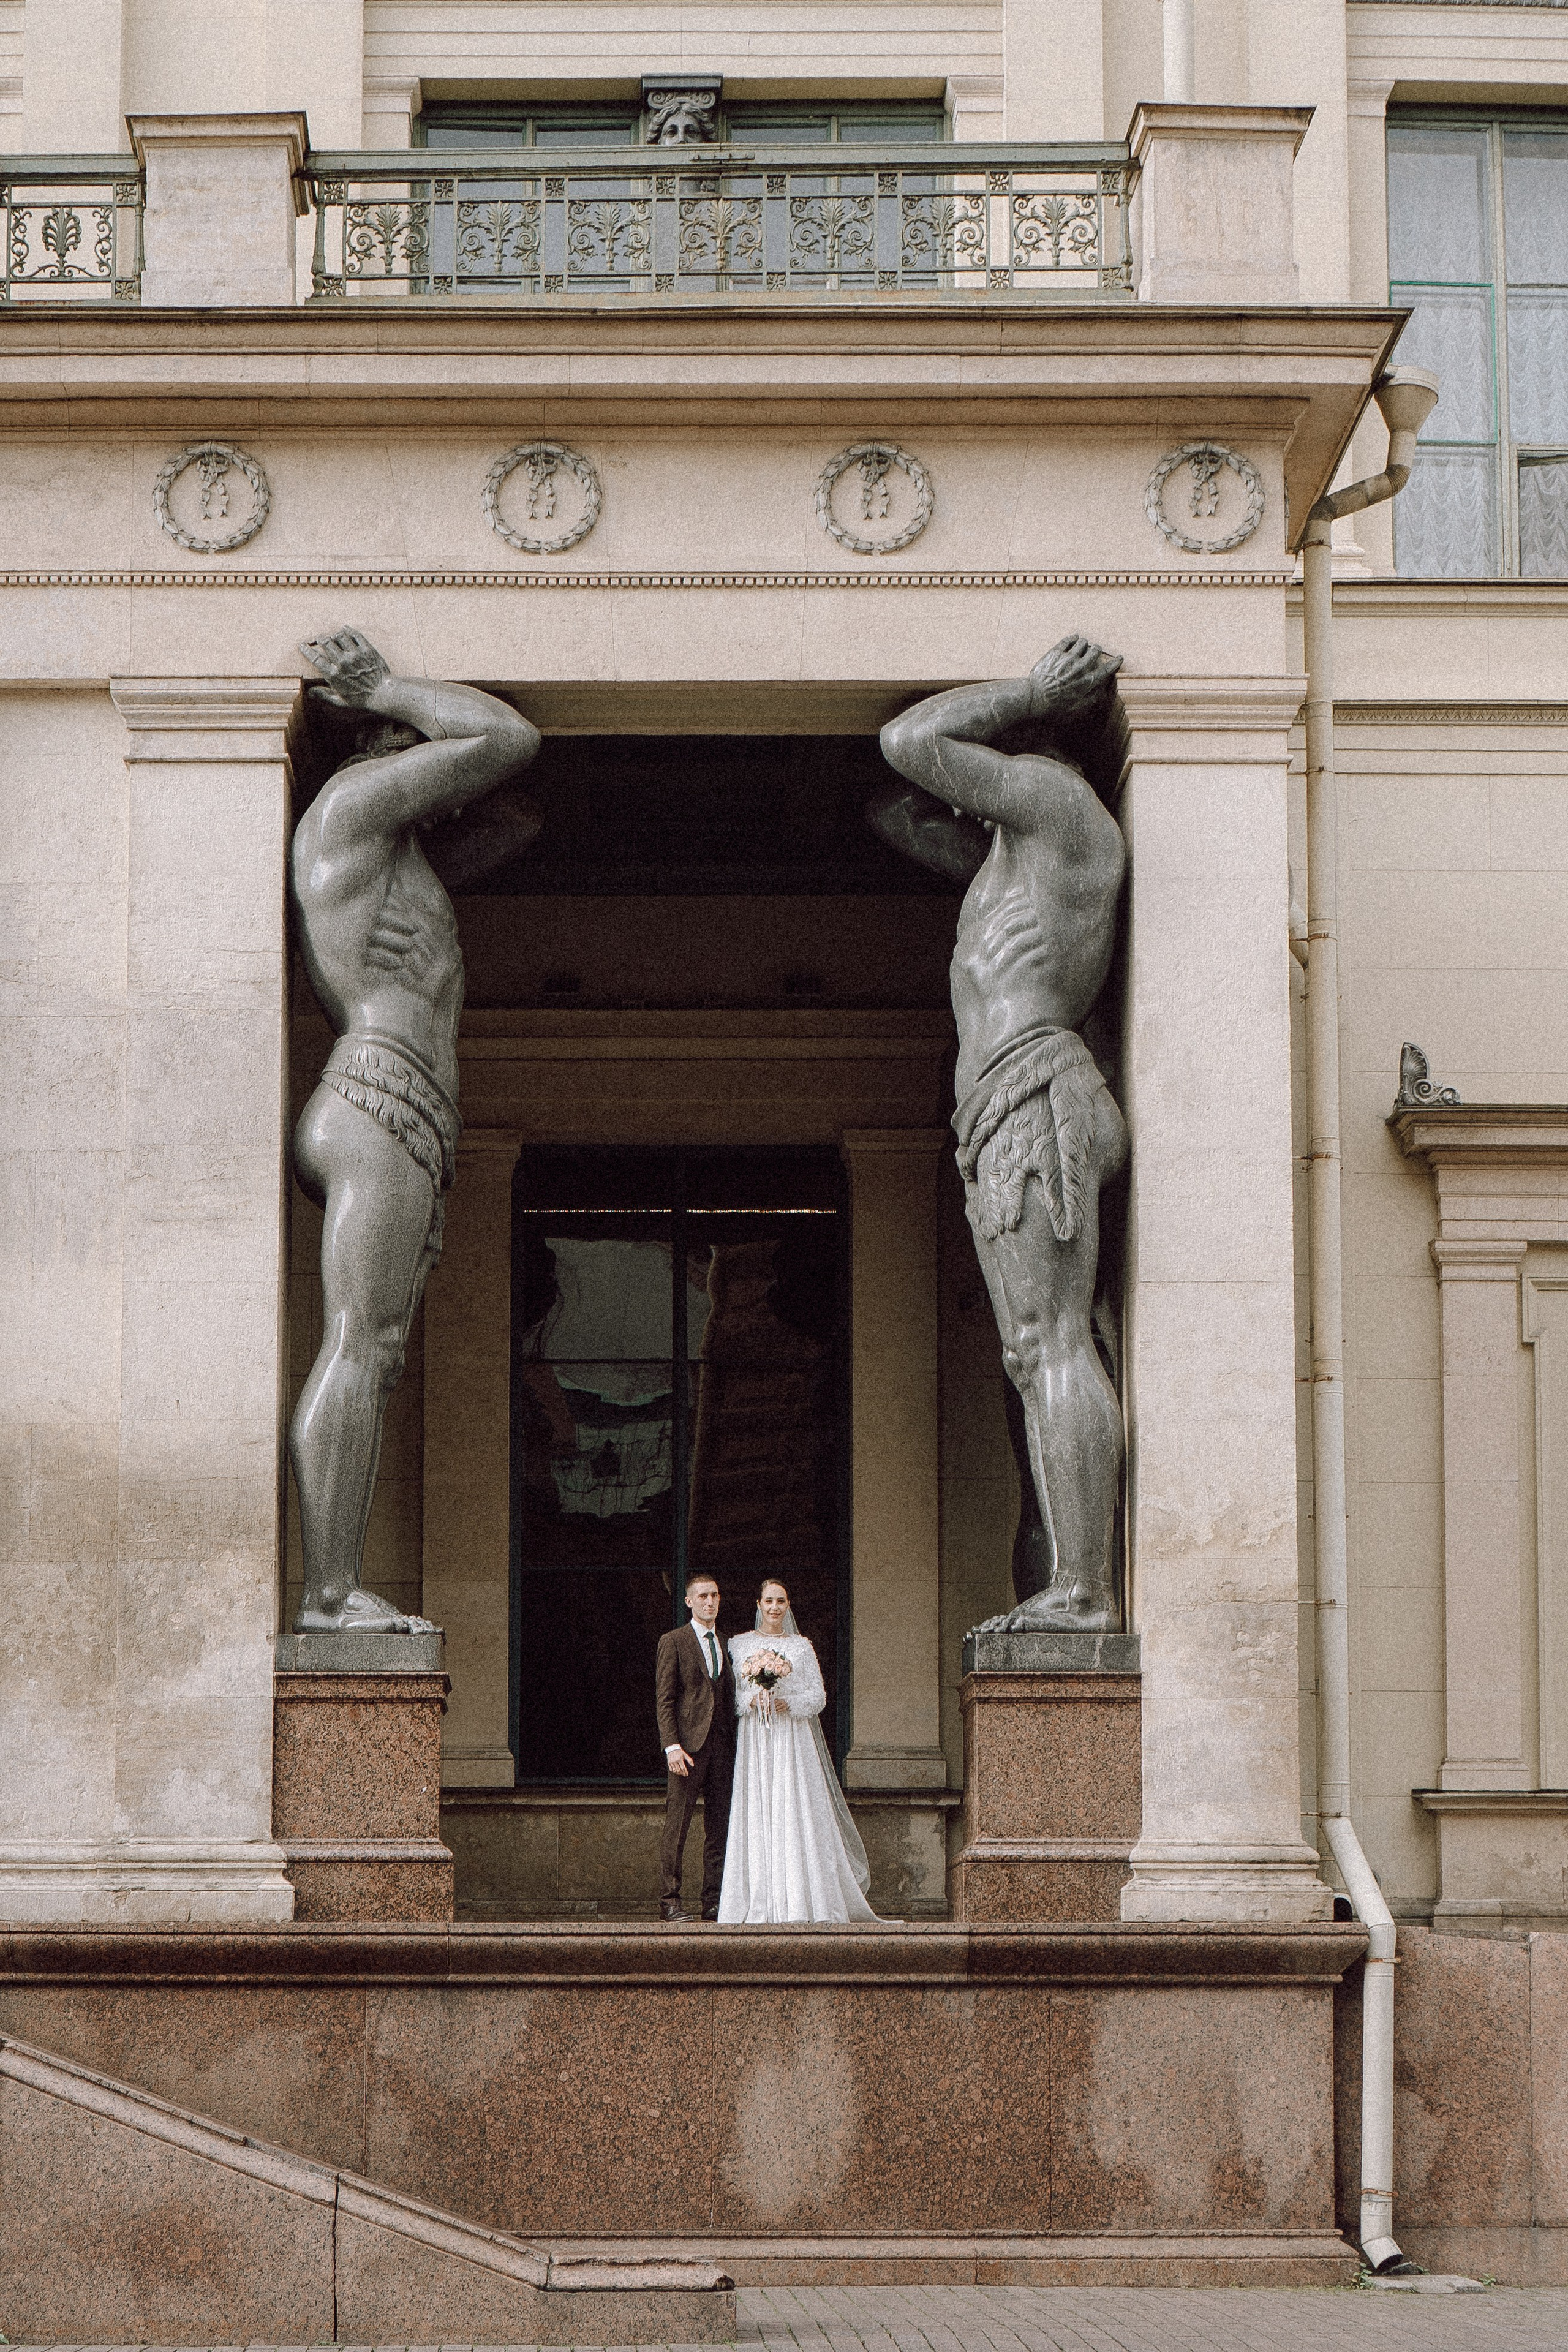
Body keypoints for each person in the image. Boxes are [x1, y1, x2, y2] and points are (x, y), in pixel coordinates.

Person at [873, 636, 1128, 1632]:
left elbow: (909, 743)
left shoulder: (1059, 807)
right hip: (1004, 1107)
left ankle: (1084, 1591)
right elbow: (894, 810)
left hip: (1032, 1091)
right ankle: (1073, 1579)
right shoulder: (1013, 857)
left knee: (1051, 1342)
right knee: (1036, 1351)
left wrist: (1026, 691)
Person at [289, 626, 541, 1634]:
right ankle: (329, 1596)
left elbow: (514, 813)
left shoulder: (399, 856)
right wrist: (388, 688)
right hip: (375, 1095)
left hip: (410, 1111)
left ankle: (335, 1588)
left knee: (378, 1350)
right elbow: (506, 741)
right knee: (361, 1343)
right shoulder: (346, 812)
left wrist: (433, 767)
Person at [718, 1578, 876, 1923]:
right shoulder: (739, 1645)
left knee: (792, 1805)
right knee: (759, 1806)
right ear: (758, 1604)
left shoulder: (801, 1647)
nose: (775, 1607)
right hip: (757, 1739)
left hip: (791, 1738)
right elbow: (731, 1697)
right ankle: (760, 1900)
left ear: (788, 1606)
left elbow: (818, 1696)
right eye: (769, 1601)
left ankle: (800, 1900)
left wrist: (787, 1703)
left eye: (781, 1601)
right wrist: (754, 1699)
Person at [655, 1572, 736, 1921]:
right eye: (702, 1596)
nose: (709, 1602)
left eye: (714, 1595)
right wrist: (672, 1746)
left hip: (724, 1748)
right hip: (687, 1749)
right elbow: (665, 1699)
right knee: (678, 1826)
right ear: (689, 1601)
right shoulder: (674, 1641)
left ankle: (712, 1901)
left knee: (719, 1828)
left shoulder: (728, 1642)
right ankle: (670, 1902)